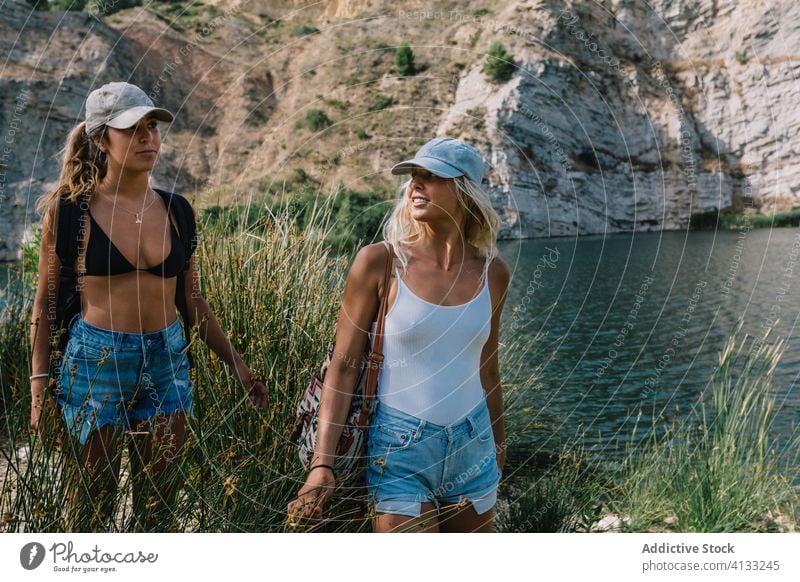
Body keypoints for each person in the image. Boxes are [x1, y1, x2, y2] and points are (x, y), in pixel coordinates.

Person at [29, 81, 269, 531]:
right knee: (90, 510)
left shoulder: (178, 210)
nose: (149, 139)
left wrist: (238, 365)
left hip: (167, 362)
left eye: (153, 128)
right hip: (96, 363)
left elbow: (192, 300)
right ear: (102, 139)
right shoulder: (69, 211)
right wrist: (39, 388)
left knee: (159, 509)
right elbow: (43, 303)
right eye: (133, 130)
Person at [287, 137, 509, 532]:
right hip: (399, 448)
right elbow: (343, 368)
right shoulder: (380, 262)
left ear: (465, 190)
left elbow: (488, 371)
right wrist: (322, 465)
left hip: (475, 446)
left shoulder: (493, 273)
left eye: (430, 177)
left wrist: (499, 451)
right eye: (413, 177)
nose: (415, 186)